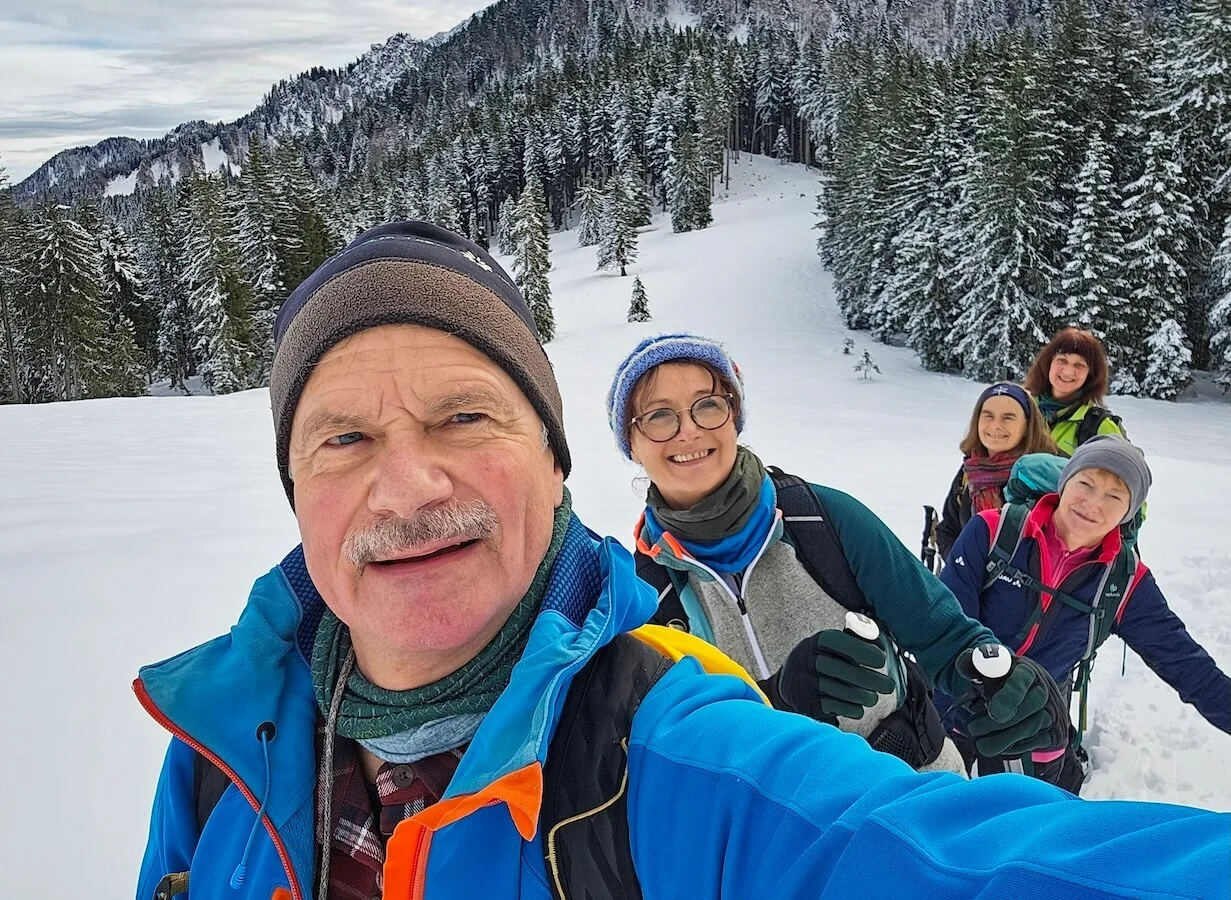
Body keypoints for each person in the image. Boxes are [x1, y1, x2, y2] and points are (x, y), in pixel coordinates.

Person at [135, 223, 1229, 900]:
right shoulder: (218, 759)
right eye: (343, 437)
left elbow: (882, 828)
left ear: (551, 468)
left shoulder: (773, 569)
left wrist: (922, 686)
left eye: (466, 417)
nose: (409, 486)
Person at [607, 334, 1072, 775]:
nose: (688, 430)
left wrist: (1006, 686)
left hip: (908, 794)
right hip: (773, 840)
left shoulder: (822, 521)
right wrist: (777, 700)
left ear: (734, 418)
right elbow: (672, 750)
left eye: (708, 405)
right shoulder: (645, 592)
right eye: (658, 415)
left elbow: (944, 637)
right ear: (633, 443)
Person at [937, 435, 1231, 791]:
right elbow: (947, 630)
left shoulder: (1123, 583)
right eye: (1086, 483)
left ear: (1128, 511)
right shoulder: (992, 531)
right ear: (1066, 482)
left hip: (1031, 732)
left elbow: (1188, 667)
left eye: (1114, 496)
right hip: (949, 710)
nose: (1093, 503)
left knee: (1021, 832)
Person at [936, 382, 1058, 560]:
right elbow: (948, 529)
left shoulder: (1044, 475)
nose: (996, 425)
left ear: (1027, 426)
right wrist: (961, 568)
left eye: (1008, 417)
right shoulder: (970, 471)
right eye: (988, 416)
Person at [1025, 327, 1128, 456]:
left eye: (1079, 365)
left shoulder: (1096, 426)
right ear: (1048, 364)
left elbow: (1127, 469)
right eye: (1062, 360)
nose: (1068, 371)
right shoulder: (1021, 409)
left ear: (1091, 374)